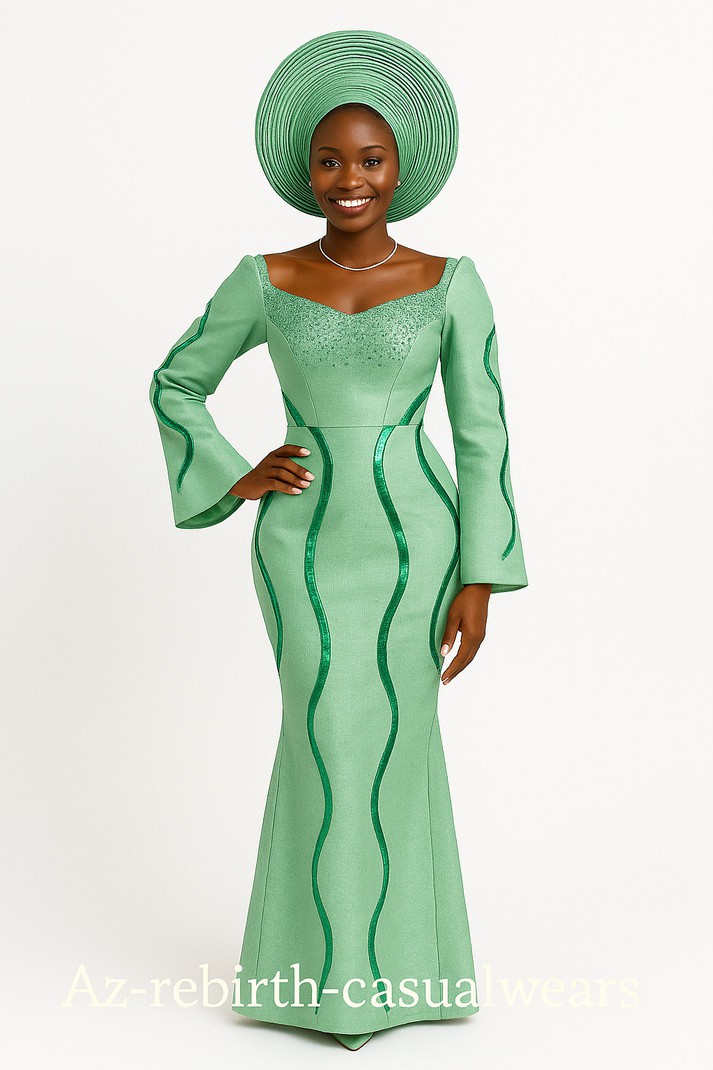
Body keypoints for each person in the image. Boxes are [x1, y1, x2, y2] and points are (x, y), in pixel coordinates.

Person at [149, 29, 528, 1052]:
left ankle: (405, 976)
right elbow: (176, 380)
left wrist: (482, 574)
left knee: (399, 741)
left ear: (401, 167)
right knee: (320, 734)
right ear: (304, 171)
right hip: (302, 549)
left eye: (368, 158)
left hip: (417, 549)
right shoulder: (263, 276)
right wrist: (234, 473)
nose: (348, 178)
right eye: (328, 160)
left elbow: (484, 435)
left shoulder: (452, 281)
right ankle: (313, 981)